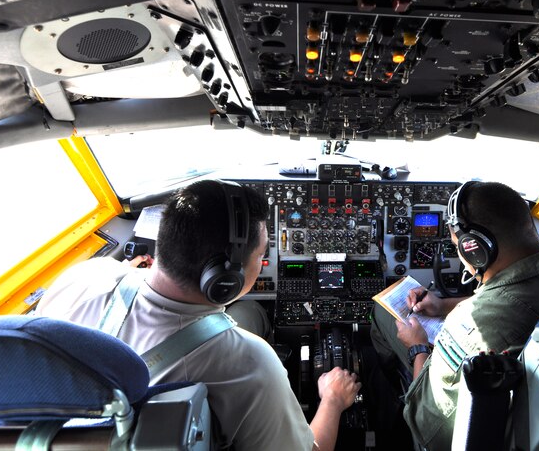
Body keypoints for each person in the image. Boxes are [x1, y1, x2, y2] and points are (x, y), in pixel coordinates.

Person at [37, 179, 360, 451]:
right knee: (251, 313)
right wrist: (332, 400)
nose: (263, 264)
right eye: (261, 256)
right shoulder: (250, 363)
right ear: (225, 279)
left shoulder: (85, 276)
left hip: (58, 425)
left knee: (248, 311)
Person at [371, 181, 539, 450]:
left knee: (382, 311)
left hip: (493, 430)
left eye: (457, 245)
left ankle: (386, 403)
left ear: (475, 247)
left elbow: (427, 423)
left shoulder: (474, 321)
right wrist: (443, 305)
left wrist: (417, 347)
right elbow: (518, 291)